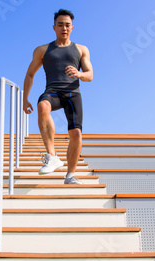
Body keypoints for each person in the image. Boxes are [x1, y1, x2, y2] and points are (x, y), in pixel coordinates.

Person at [22, 9, 93, 185]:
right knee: (42, 106)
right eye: (60, 24)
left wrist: (78, 73)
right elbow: (30, 74)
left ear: (72, 27)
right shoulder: (43, 50)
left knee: (76, 134)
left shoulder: (81, 49)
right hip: (52, 90)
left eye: (67, 25)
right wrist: (25, 98)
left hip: (73, 93)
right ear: (54, 27)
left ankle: (70, 175)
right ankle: (52, 156)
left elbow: (90, 75)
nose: (64, 28)